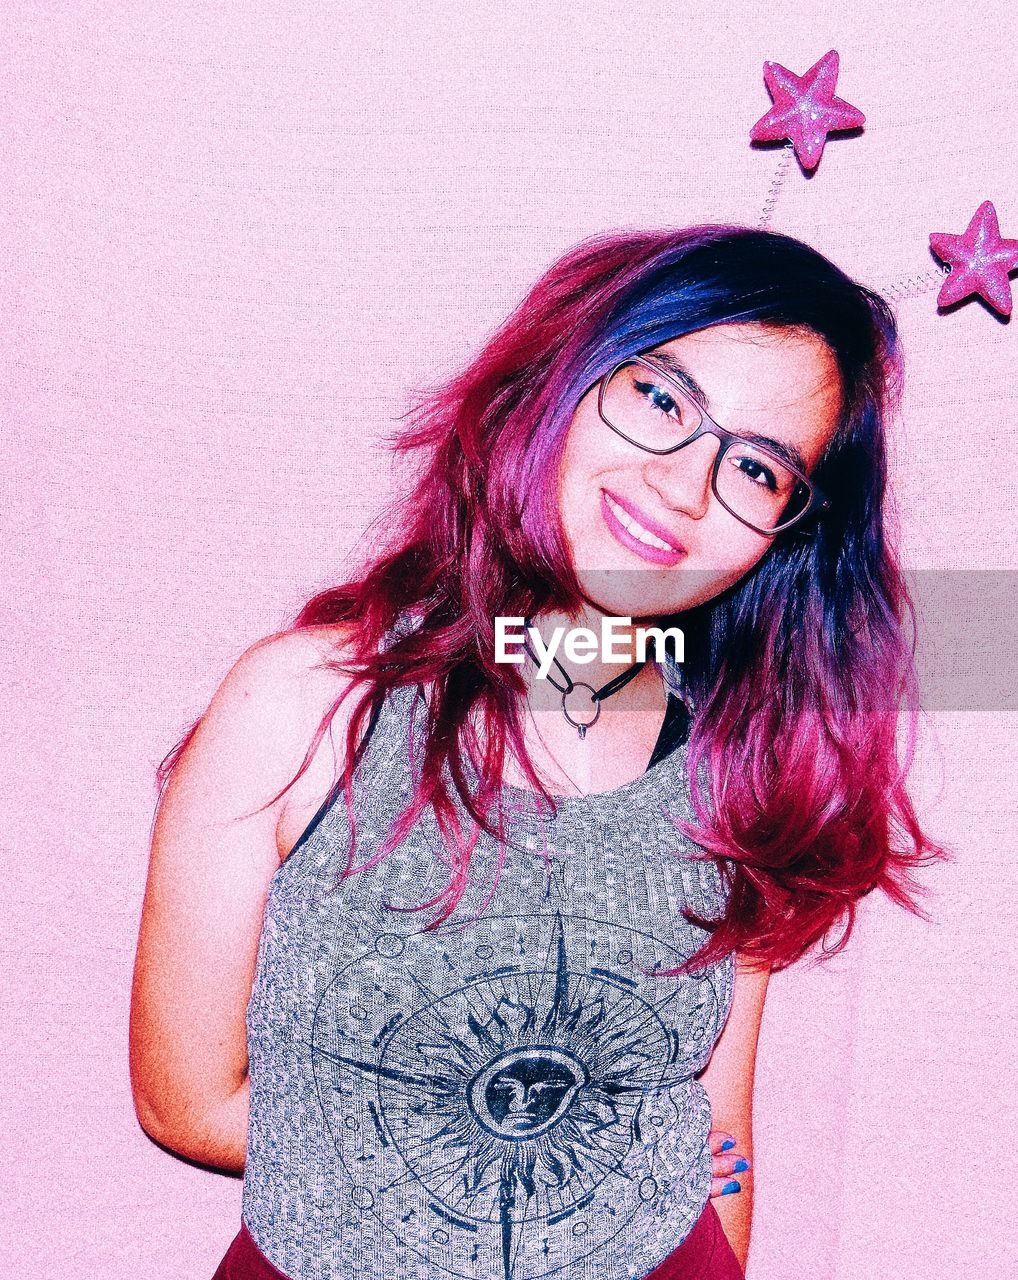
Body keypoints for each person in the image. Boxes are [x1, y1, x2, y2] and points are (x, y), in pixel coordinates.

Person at [130, 225, 946, 1280]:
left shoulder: (737, 762)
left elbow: (714, 1124)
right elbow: (183, 1099)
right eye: (661, 399)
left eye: (753, 465)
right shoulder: (306, 704)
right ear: (559, 374)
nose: (683, 487)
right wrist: (507, 1159)